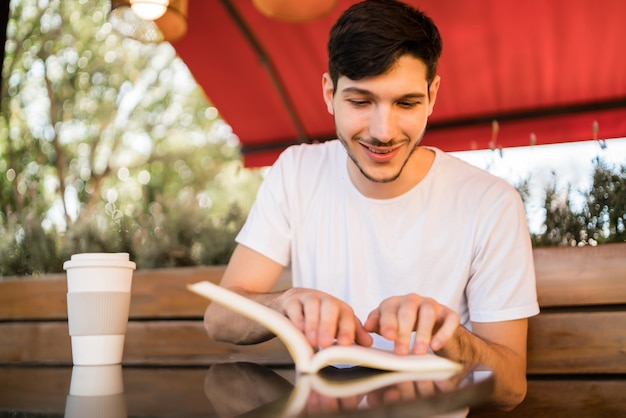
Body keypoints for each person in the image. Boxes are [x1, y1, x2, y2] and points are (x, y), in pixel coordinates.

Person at [204, 0, 539, 410]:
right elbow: (219, 319)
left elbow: (511, 388)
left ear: (433, 95)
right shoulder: (296, 172)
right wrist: (283, 304)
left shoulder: (491, 202)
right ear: (330, 93)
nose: (383, 132)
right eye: (360, 102)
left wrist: (452, 339)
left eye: (407, 103)